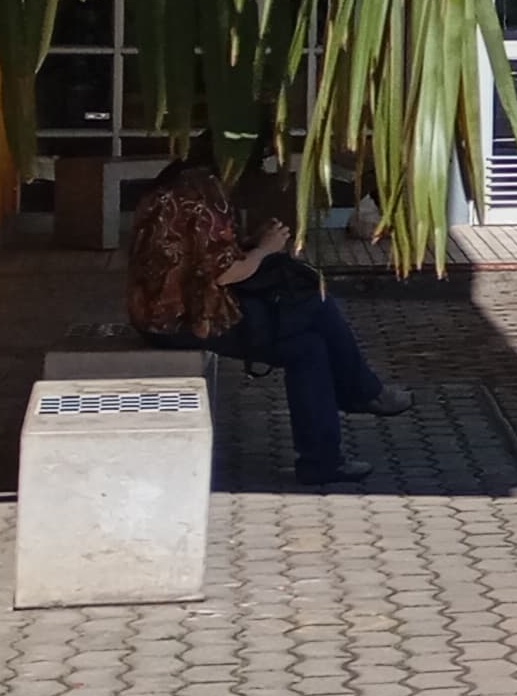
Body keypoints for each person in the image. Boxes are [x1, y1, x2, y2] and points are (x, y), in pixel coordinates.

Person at [123, 159, 401, 486]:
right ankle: (362, 393)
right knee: (316, 304)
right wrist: (266, 249)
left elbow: (201, 256)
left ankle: (324, 457)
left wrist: (251, 242)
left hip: (159, 315)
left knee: (308, 348)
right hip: (185, 320)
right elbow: (225, 273)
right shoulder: (203, 195)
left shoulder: (173, 186)